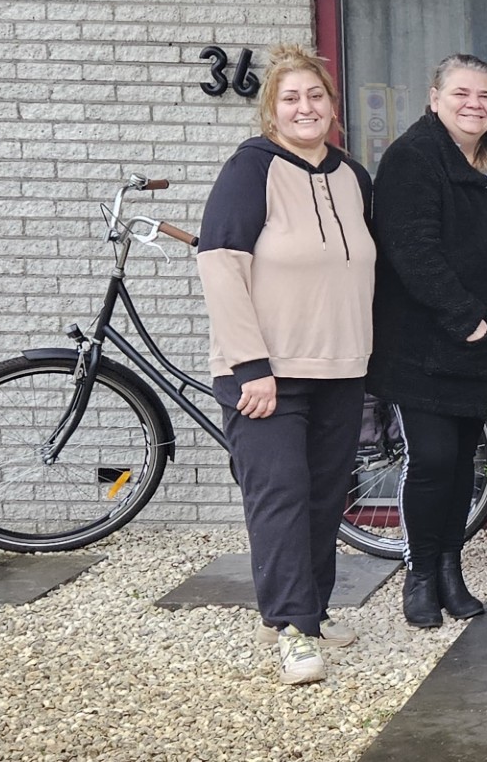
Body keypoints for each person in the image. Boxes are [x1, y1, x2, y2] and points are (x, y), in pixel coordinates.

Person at [197, 44, 375, 684]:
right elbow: (221, 264)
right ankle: (293, 629)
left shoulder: (352, 177)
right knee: (280, 499)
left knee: (326, 498)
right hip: (267, 373)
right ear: (272, 112)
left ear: (332, 105)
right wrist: (250, 366)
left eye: (315, 96)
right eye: (290, 98)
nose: (306, 108)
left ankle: (315, 607)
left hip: (341, 369)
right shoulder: (251, 170)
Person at [368, 54, 487, 629]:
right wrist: (465, 316)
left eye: (484, 96)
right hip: (426, 344)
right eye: (461, 93)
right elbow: (411, 250)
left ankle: (452, 569)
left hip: (483, 344)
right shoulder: (412, 157)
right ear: (434, 98)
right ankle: (418, 574)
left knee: (465, 464)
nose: (473, 105)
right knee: (431, 459)